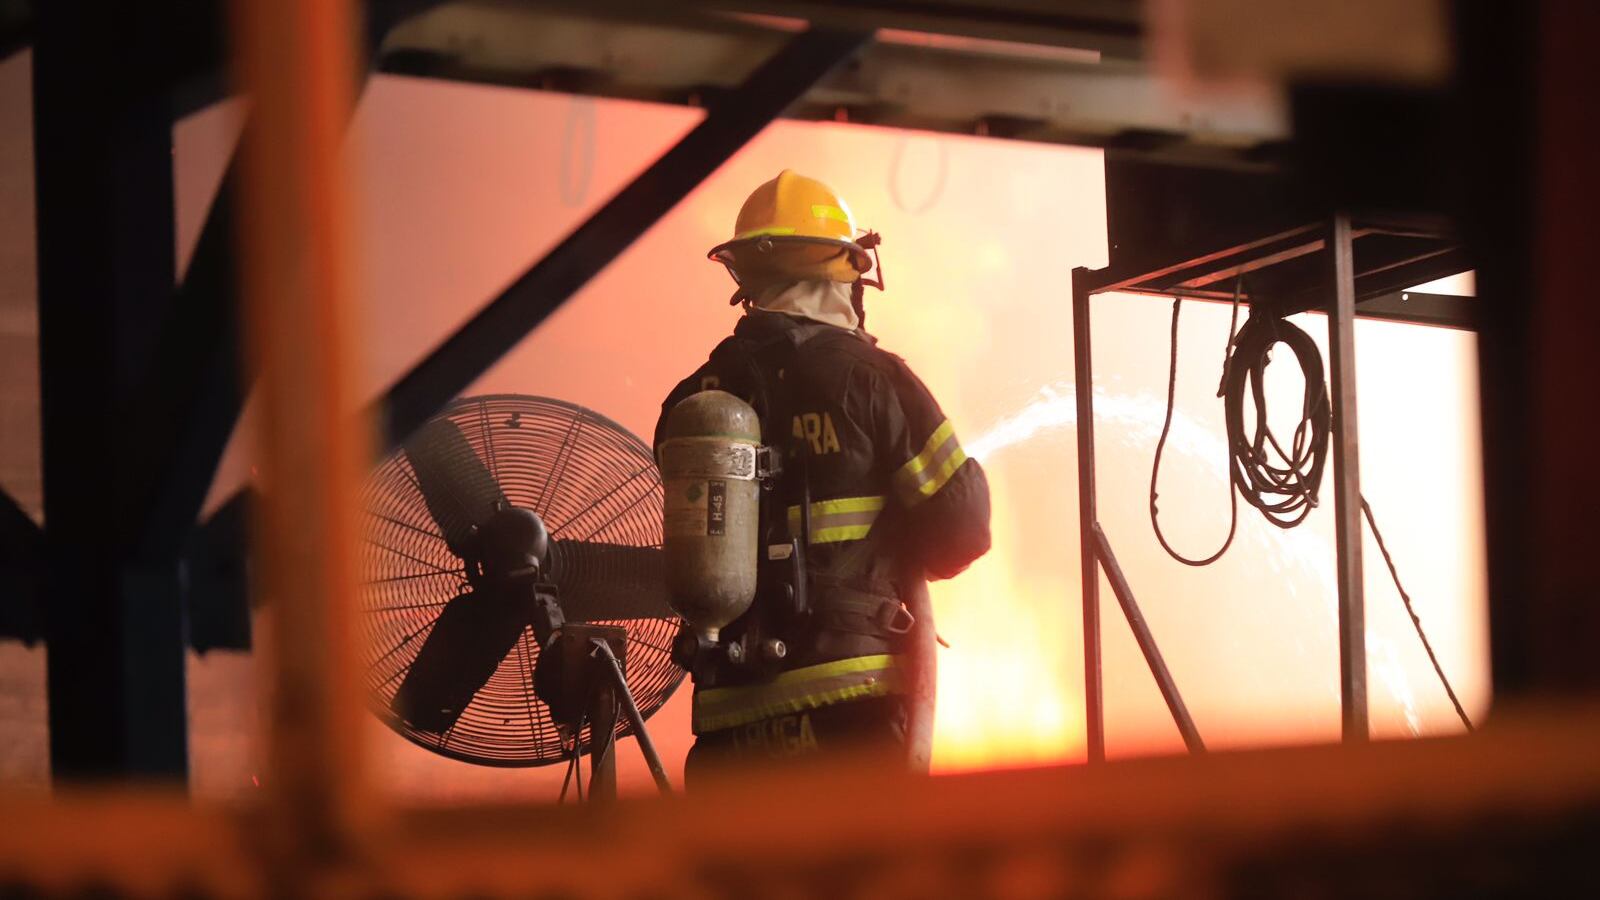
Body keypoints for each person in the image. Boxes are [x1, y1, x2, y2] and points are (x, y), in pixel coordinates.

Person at [655, 170, 990, 783]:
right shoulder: (874, 380)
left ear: (748, 279)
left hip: (728, 721)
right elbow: (961, 532)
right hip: (850, 710)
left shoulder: (695, 399)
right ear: (846, 270)